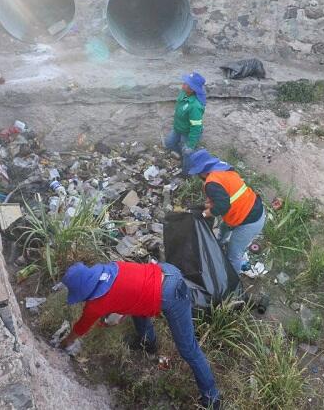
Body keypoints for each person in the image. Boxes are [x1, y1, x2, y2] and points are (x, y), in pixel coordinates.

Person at [58, 261, 220, 408]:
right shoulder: (113, 267)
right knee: (138, 307)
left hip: (171, 293)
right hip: (166, 270)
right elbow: (131, 292)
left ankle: (212, 398)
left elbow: (81, 328)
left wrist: (65, 342)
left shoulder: (96, 305)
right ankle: (149, 343)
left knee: (188, 349)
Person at [187, 149, 266, 273]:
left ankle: (234, 285)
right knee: (224, 227)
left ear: (201, 171)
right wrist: (208, 205)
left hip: (250, 221)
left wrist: (203, 214)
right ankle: (220, 242)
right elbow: (226, 194)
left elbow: (223, 206)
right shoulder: (223, 168)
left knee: (234, 255)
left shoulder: (211, 182)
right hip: (250, 206)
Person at [165, 72, 206, 173]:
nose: (183, 84)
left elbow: (196, 128)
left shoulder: (195, 106)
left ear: (192, 89)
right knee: (169, 143)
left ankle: (187, 172)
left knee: (187, 153)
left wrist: (190, 145)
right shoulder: (184, 92)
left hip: (187, 132)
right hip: (178, 128)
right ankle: (181, 155)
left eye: (186, 84)